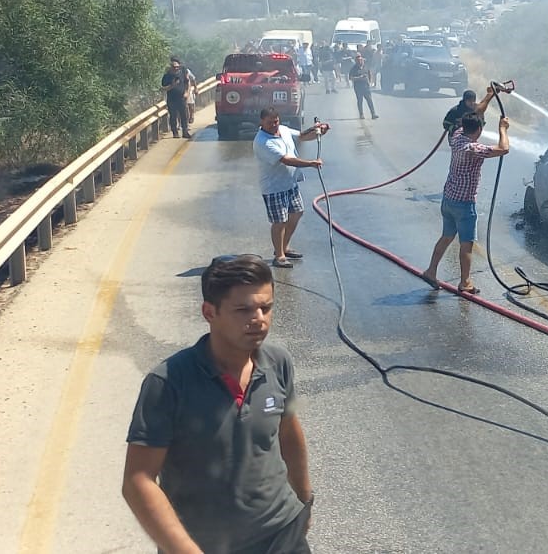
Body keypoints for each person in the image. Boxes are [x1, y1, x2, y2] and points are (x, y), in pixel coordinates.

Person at [123, 254, 313, 554]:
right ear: (209, 312)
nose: (259, 319)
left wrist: (304, 501)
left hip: (281, 534)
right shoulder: (169, 382)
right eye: (243, 309)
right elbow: (138, 480)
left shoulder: (279, 363)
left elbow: (289, 433)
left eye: (266, 308)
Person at [421, 110, 510, 293]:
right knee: (466, 243)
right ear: (478, 129)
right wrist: (503, 129)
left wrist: (491, 94)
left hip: (449, 199)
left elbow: (475, 113)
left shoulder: (456, 137)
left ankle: (431, 271)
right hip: (464, 204)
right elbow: (504, 149)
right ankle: (465, 282)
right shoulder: (473, 149)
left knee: (446, 237)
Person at [254, 108, 330, 269]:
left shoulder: (283, 130)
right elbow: (286, 160)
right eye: (269, 123)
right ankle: (279, 255)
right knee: (279, 221)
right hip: (274, 187)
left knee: (296, 213)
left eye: (276, 121)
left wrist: (319, 132)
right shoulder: (262, 142)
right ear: (261, 122)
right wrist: (310, 163)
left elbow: (302, 136)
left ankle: (284, 247)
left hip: (290, 183)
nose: (274, 125)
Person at [161, 58, 193, 139]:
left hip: (181, 98)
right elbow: (163, 88)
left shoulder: (182, 73)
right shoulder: (166, 76)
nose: (176, 69)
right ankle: (175, 132)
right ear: (170, 67)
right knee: (173, 116)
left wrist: (187, 92)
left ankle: (185, 132)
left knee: (184, 115)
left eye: (177, 67)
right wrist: (172, 85)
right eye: (174, 67)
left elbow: (188, 83)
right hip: (172, 99)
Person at [348, 55, 378, 120]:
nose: (360, 61)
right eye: (358, 60)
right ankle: (361, 114)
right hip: (358, 87)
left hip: (366, 87)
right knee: (360, 101)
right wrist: (359, 78)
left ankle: (373, 114)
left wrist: (370, 82)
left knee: (369, 100)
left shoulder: (366, 67)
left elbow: (369, 74)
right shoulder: (353, 69)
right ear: (356, 61)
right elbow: (351, 78)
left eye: (361, 60)